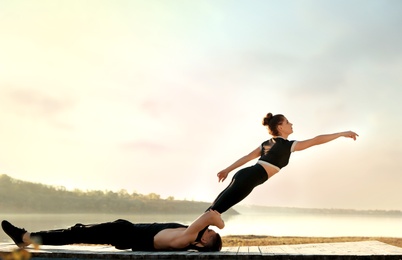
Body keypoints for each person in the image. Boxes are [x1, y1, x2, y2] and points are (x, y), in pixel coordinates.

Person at [208, 112, 359, 214]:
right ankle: (189, 237)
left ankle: (189, 236)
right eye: (287, 122)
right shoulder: (285, 145)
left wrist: (227, 170)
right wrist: (341, 134)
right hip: (248, 178)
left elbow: (247, 157)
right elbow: (315, 140)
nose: (291, 124)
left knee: (215, 209)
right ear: (280, 127)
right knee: (215, 211)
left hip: (246, 176)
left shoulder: (269, 144)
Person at [1, 210, 224, 252]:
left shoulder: (186, 238)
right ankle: (27, 237)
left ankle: (25, 237)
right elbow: (207, 217)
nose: (209, 229)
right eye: (210, 231)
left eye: (210, 233)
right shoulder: (188, 240)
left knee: (76, 233)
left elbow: (211, 215)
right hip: (125, 231)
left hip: (123, 233)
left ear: (203, 243)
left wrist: (219, 224)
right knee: (77, 232)